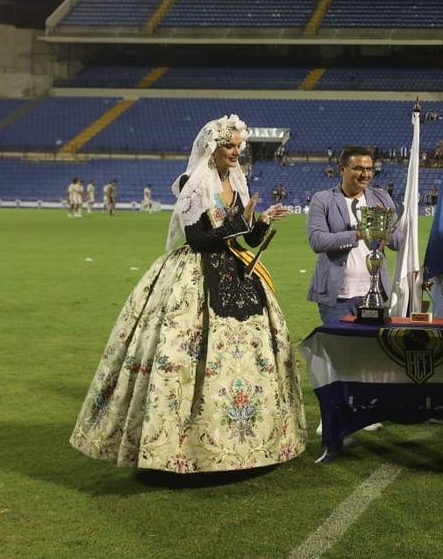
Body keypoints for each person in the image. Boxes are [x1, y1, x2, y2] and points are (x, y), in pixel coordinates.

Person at [70, 115, 304, 472]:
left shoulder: (237, 183)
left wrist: (262, 221)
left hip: (234, 271)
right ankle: (179, 446)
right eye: (230, 146)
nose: (236, 152)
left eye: (239, 146)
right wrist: (240, 223)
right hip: (194, 274)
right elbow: (197, 239)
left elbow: (245, 240)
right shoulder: (196, 184)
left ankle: (246, 443)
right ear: (212, 148)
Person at [307, 145, 404, 324]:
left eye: (369, 169)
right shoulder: (323, 199)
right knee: (340, 349)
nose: (365, 174)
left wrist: (384, 226)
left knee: (371, 349)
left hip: (374, 293)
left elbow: (398, 242)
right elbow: (317, 241)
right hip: (337, 297)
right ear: (342, 169)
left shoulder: (382, 198)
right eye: (358, 168)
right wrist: (357, 234)